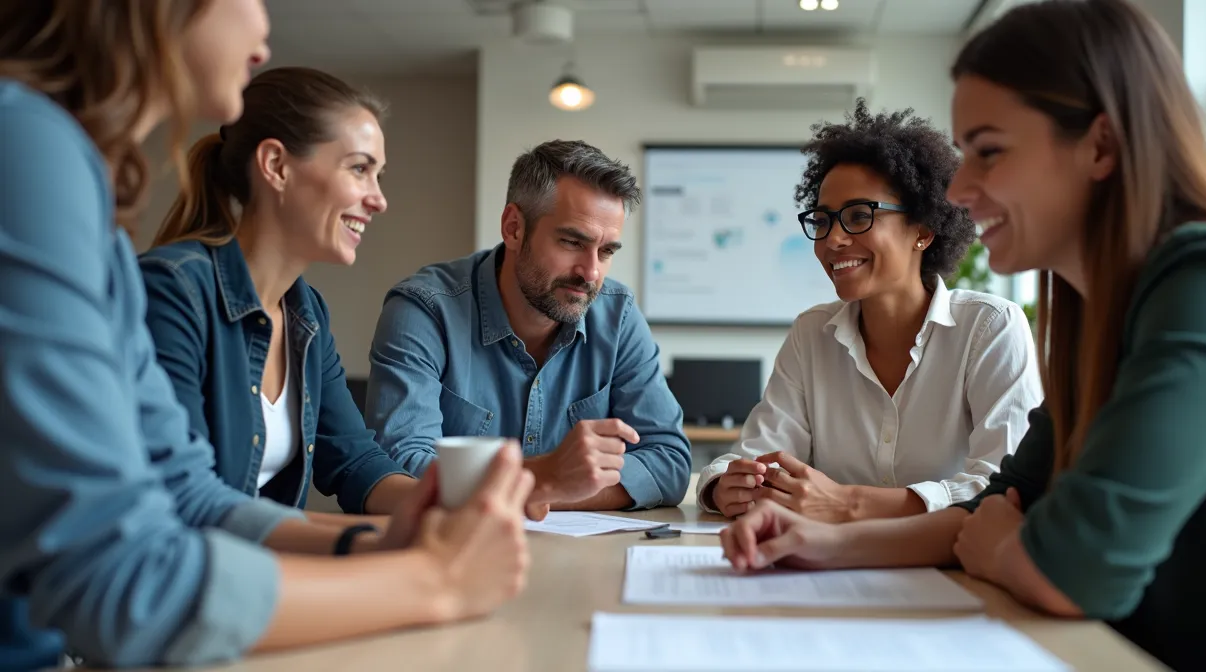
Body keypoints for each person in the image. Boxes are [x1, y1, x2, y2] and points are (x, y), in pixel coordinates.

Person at [719, 0, 1206, 668]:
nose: (962, 190)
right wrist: (814, 542)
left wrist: (1005, 545)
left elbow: (1075, 567)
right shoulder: (1097, 308)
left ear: (1101, 145)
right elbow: (1001, 502)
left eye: (989, 152)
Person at [0, 1, 532, 668]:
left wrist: (380, 543)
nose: (263, 21)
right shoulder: (28, 151)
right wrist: (434, 580)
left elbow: (189, 492)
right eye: (360, 169)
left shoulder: (83, 198)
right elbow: (120, 575)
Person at [698, 105, 1042, 523]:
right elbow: (756, 457)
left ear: (923, 230)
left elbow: (1005, 488)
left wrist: (847, 504)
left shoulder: (990, 327)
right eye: (822, 221)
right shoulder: (812, 333)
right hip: (828, 565)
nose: (834, 239)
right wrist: (725, 486)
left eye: (859, 216)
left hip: (949, 566)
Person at [139, 66, 416, 523]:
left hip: (251, 573)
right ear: (276, 166)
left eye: (378, 175)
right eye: (360, 169)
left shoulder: (306, 313)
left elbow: (355, 461)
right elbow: (183, 500)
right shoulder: (171, 291)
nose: (379, 199)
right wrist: (357, 540)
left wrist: (451, 506)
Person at [367, 139, 692, 512]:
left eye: (606, 252)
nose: (591, 273)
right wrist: (549, 480)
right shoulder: (425, 311)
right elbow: (399, 467)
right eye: (572, 242)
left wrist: (544, 493)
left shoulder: (617, 315)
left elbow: (669, 463)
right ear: (514, 228)